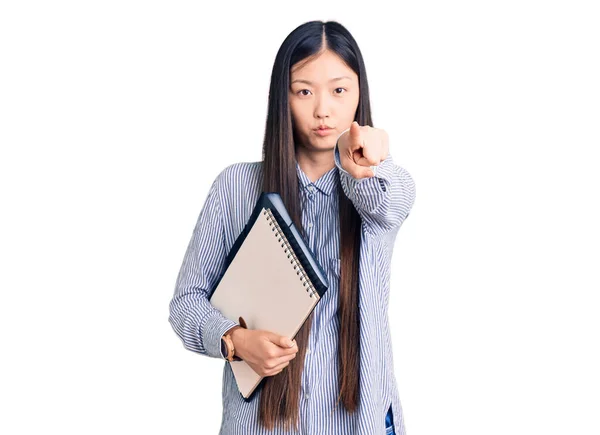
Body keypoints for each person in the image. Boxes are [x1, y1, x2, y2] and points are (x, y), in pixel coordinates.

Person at [169, 20, 416, 435]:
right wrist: (233, 340)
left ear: (359, 95)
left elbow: (387, 203)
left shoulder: (379, 185)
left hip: (360, 424)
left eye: (339, 90)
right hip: (263, 425)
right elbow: (186, 303)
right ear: (282, 98)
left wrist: (362, 163)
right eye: (304, 91)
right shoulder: (236, 187)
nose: (323, 109)